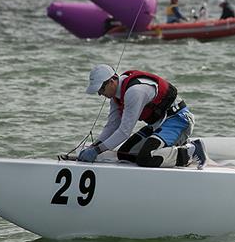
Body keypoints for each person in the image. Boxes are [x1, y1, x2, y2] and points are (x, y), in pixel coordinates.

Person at [78, 64, 206, 169]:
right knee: (124, 154)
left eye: (101, 89)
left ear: (112, 81)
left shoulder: (134, 92)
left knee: (146, 157)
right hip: (158, 124)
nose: (100, 94)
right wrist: (93, 146)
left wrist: (97, 151)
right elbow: (112, 126)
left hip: (179, 121)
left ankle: (191, 151)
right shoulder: (115, 97)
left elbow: (124, 132)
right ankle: (172, 146)